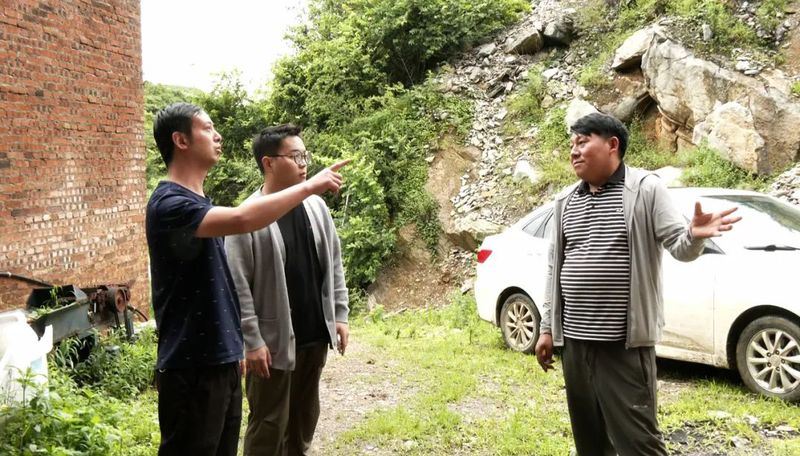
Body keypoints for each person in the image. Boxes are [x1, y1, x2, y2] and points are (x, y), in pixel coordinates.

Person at [533, 112, 741, 456]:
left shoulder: (645, 189)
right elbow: (556, 267)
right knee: (590, 441)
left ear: (612, 145)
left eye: (583, 142)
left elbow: (679, 247)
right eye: (572, 144)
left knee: (639, 443)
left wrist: (694, 235)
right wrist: (546, 328)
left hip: (623, 346)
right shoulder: (565, 201)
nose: (574, 151)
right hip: (575, 343)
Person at [146, 103, 348, 456]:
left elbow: (221, 284)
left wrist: (234, 344)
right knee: (261, 428)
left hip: (221, 361)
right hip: (191, 365)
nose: (218, 135)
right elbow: (242, 224)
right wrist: (310, 186)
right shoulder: (170, 204)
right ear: (181, 140)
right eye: (207, 128)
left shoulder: (199, 202)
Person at [224, 124, 349, 456]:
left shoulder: (315, 207)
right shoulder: (247, 216)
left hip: (313, 336)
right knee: (268, 425)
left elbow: (334, 264)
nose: (303, 164)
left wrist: (339, 315)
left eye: (304, 155)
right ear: (268, 162)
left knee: (304, 420)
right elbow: (237, 286)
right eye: (295, 157)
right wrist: (251, 341)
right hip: (272, 346)